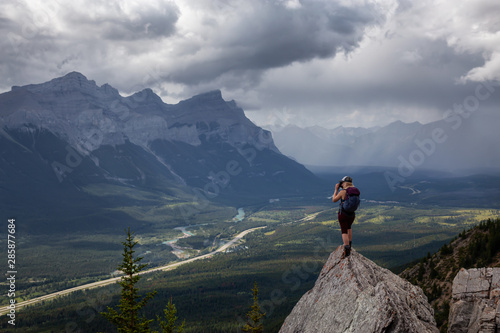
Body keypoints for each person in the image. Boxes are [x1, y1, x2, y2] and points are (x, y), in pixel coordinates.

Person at [332, 176, 357, 257]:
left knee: (344, 231)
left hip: (343, 214)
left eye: (341, 183)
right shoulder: (355, 191)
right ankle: (349, 245)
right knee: (349, 228)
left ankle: (346, 249)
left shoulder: (343, 192)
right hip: (352, 214)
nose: (341, 184)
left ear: (344, 183)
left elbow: (334, 200)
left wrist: (336, 189)